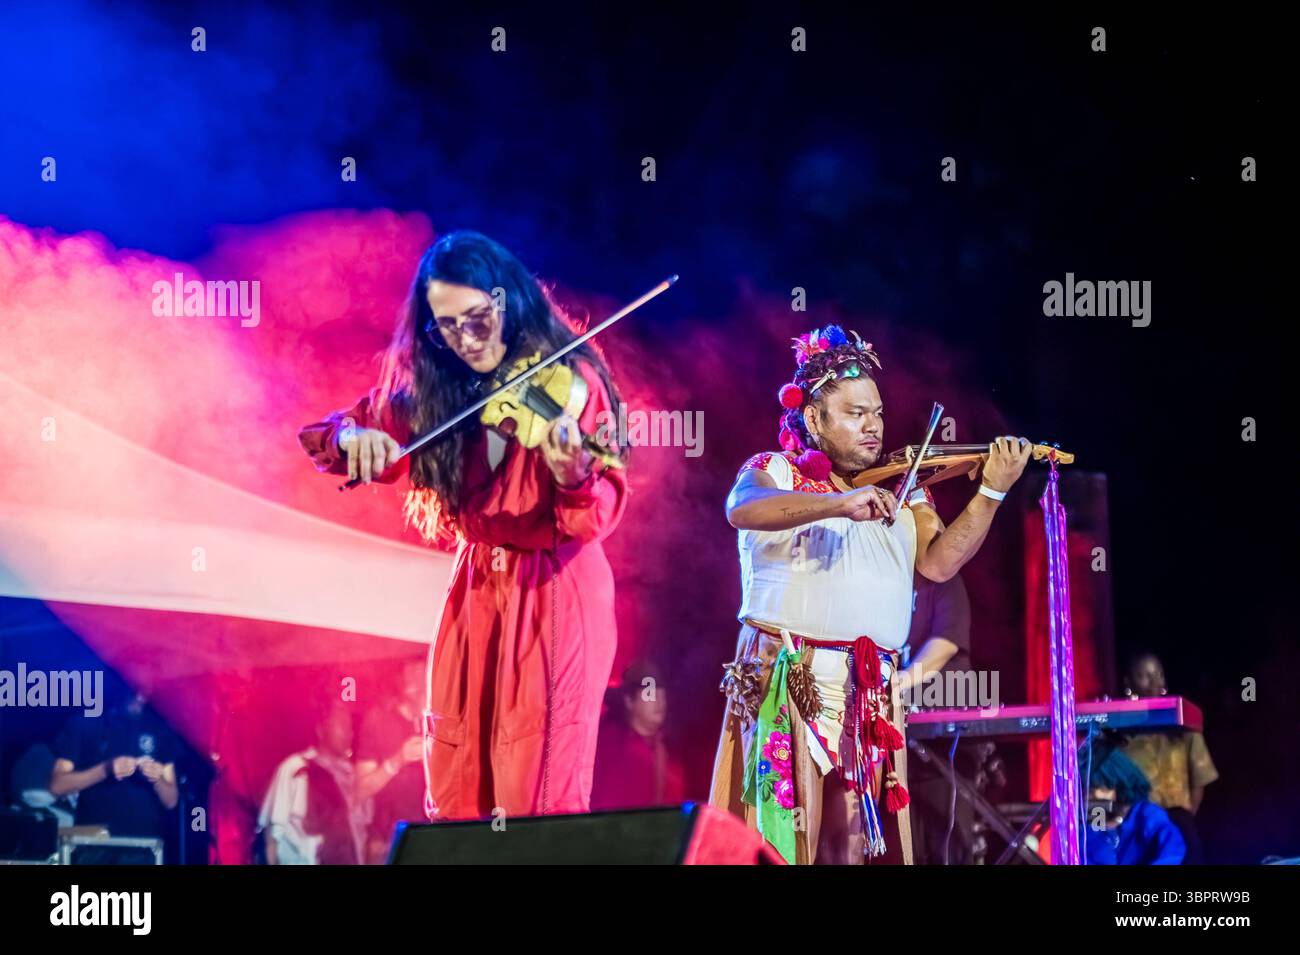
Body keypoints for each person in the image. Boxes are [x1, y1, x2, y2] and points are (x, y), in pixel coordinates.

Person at [298, 231, 628, 821]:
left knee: (536, 785)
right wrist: (356, 437)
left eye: (476, 318)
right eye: (444, 326)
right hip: (476, 585)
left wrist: (574, 472)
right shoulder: (440, 388)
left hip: (552, 586)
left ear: (509, 303)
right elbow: (330, 431)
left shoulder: (574, 381)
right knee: (458, 775)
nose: (464, 339)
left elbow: (599, 510)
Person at [710, 325, 1033, 864]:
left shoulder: (907, 492)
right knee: (781, 838)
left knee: (852, 842)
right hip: (789, 675)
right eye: (854, 413)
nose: (872, 425)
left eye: (877, 413)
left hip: (868, 689)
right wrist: (840, 504)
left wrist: (992, 491)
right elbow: (742, 510)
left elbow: (938, 562)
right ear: (813, 419)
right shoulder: (775, 469)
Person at [48, 683, 180, 863]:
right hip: (93, 846)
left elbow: (171, 800)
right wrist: (105, 770)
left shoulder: (160, 729)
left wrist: (157, 779)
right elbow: (57, 785)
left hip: (143, 849)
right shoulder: (87, 722)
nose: (140, 686)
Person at [1117, 651, 1218, 863]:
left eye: (1159, 674)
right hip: (1140, 826)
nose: (1154, 682)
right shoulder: (1121, 734)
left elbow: (1199, 779)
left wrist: (1185, 816)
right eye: (1145, 675)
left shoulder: (1184, 726)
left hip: (1180, 821)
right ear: (1128, 681)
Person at [259, 701, 370, 865]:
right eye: (342, 725)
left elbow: (362, 835)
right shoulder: (296, 768)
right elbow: (273, 833)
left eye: (351, 727)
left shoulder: (353, 776)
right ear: (320, 730)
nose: (349, 733)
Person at [591, 660, 688, 810]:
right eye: (650, 695)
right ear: (629, 700)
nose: (659, 702)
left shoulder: (669, 751)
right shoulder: (610, 744)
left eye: (662, 696)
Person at [355, 659, 427, 863]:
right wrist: (398, 760)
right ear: (402, 684)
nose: (418, 684)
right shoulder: (379, 721)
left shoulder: (436, 723)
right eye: (412, 677)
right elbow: (360, 789)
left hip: (428, 837)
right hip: (388, 841)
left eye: (422, 677)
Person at [1083, 741, 1185, 865]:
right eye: (1090, 792)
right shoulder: (1091, 823)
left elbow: (1172, 850)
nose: (1096, 797)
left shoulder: (1145, 814)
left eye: (1104, 789)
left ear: (1121, 785)